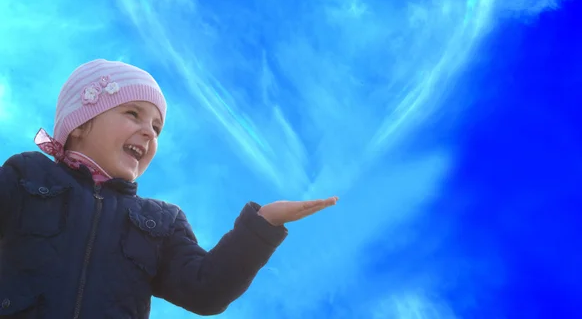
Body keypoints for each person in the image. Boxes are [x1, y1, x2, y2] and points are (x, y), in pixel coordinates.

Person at [0, 59, 338, 317]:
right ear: (80, 125)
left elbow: (207, 289)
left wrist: (262, 226)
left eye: (157, 127)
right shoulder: (27, 175)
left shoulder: (160, 221)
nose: (149, 131)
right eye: (133, 114)